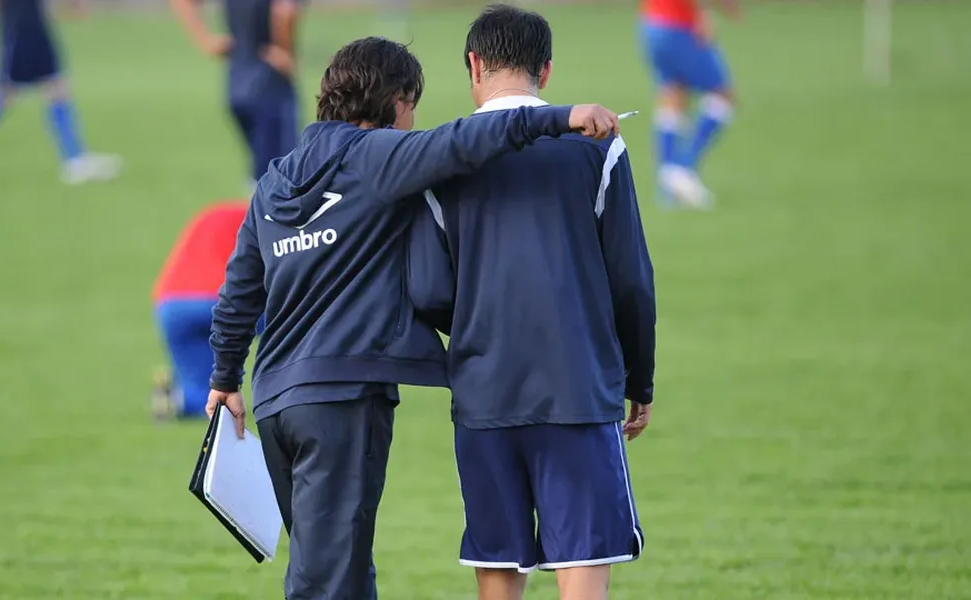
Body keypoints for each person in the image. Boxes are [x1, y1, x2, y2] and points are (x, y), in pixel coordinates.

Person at [205, 36, 622, 600]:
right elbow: (466, 139)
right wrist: (560, 118)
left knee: (335, 566)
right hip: (340, 402)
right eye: (412, 108)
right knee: (328, 580)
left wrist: (225, 377)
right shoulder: (375, 156)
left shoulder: (274, 180)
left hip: (277, 403)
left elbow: (238, 292)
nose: (413, 123)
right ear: (395, 100)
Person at [408, 6, 656, 599]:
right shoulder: (599, 148)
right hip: (577, 389)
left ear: (473, 65)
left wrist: (476, 323)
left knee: (498, 578)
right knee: (585, 569)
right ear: (546, 68)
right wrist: (638, 381)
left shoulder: (441, 161)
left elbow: (426, 289)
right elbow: (631, 281)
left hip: (484, 394)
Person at [170, 0, 304, 189]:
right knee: (282, 176)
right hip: (270, 84)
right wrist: (286, 51)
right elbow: (284, 12)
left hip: (236, 85)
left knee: (263, 171)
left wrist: (205, 40)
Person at [0, 0, 121, 184]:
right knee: (7, 92)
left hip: (30, 17)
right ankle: (75, 159)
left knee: (56, 86)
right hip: (22, 19)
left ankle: (75, 158)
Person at [151, 201, 260, 420]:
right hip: (222, 297)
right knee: (291, 324)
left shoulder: (209, 215)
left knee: (203, 399)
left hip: (173, 304)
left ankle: (176, 398)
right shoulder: (260, 217)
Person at [639, 0, 739, 208]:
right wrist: (703, 13)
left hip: (652, 25)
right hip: (679, 26)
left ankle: (667, 187)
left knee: (673, 96)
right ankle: (682, 168)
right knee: (723, 94)